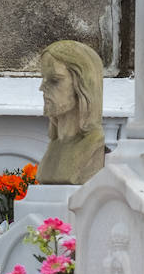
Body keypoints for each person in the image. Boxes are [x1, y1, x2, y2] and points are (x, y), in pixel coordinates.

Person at [37, 40, 105, 185]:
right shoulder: (55, 145)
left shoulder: (93, 146)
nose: (42, 87)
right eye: (43, 78)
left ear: (82, 85)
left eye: (54, 80)